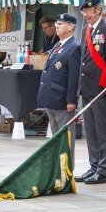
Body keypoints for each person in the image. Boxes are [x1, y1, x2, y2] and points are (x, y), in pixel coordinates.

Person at [75, 0, 106, 184]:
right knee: (90, 129)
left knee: (102, 130)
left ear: (98, 10)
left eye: (89, 11)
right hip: (87, 87)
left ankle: (103, 169)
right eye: (84, 12)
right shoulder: (86, 30)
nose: (86, 15)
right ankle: (93, 166)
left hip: (102, 87)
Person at [37, 13, 80, 165]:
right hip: (51, 97)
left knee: (66, 136)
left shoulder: (74, 47)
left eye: (60, 24)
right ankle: (57, 167)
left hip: (62, 99)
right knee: (56, 136)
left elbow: (74, 76)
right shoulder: (58, 44)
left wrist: (71, 99)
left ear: (71, 27)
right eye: (57, 23)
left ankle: (67, 169)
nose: (57, 26)